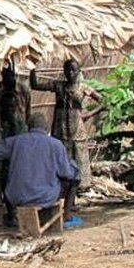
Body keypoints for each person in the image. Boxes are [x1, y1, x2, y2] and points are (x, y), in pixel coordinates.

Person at [0, 113, 82, 228]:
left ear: (29, 126)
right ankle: (67, 215)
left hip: (17, 196)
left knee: (5, 172)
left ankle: (12, 216)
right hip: (46, 197)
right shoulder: (56, 145)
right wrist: (73, 165)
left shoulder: (15, 141)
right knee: (75, 177)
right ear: (46, 128)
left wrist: (13, 157)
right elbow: (67, 173)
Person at [30, 59, 103, 191]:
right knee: (60, 155)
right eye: (67, 70)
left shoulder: (83, 88)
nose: (70, 73)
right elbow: (35, 85)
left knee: (79, 155)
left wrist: (89, 114)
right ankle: (61, 186)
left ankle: (81, 186)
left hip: (77, 128)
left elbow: (103, 101)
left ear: (78, 71)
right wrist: (31, 67)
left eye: (73, 70)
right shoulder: (58, 86)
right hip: (60, 128)